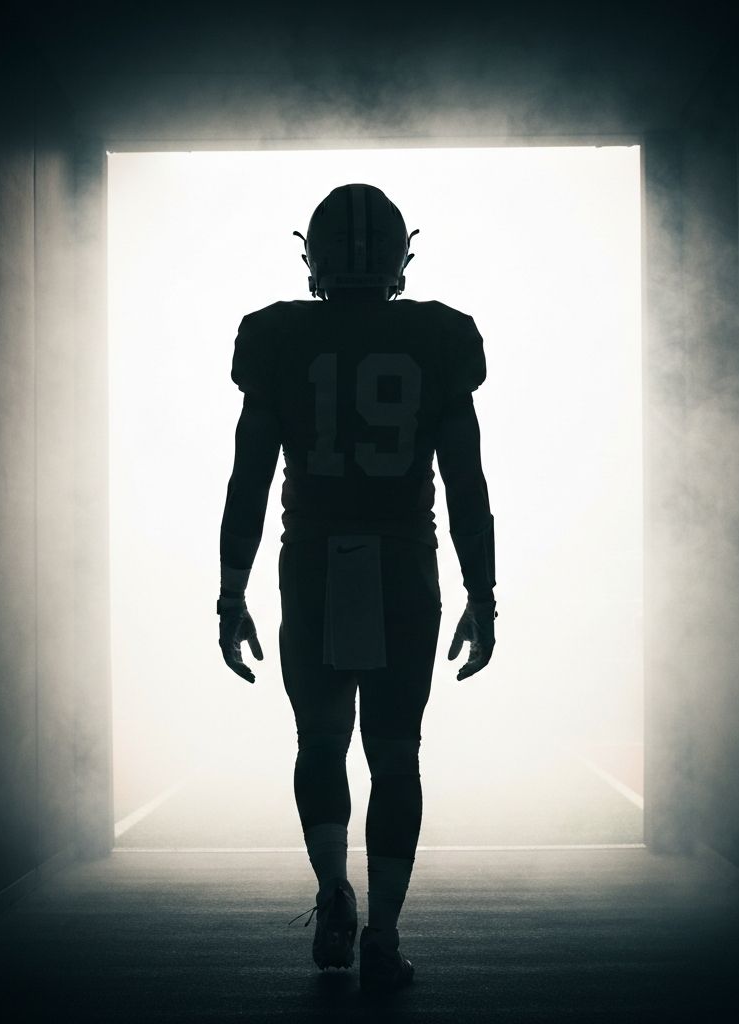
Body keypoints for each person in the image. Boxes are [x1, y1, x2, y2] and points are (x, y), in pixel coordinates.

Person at [217, 183, 496, 993]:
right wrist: (482, 592)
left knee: (320, 742)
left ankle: (334, 888)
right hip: (403, 561)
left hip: (312, 561)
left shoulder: (276, 337)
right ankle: (383, 933)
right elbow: (466, 482)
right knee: (396, 751)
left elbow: (249, 478)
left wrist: (231, 592)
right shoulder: (439, 338)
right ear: (401, 256)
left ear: (315, 256)